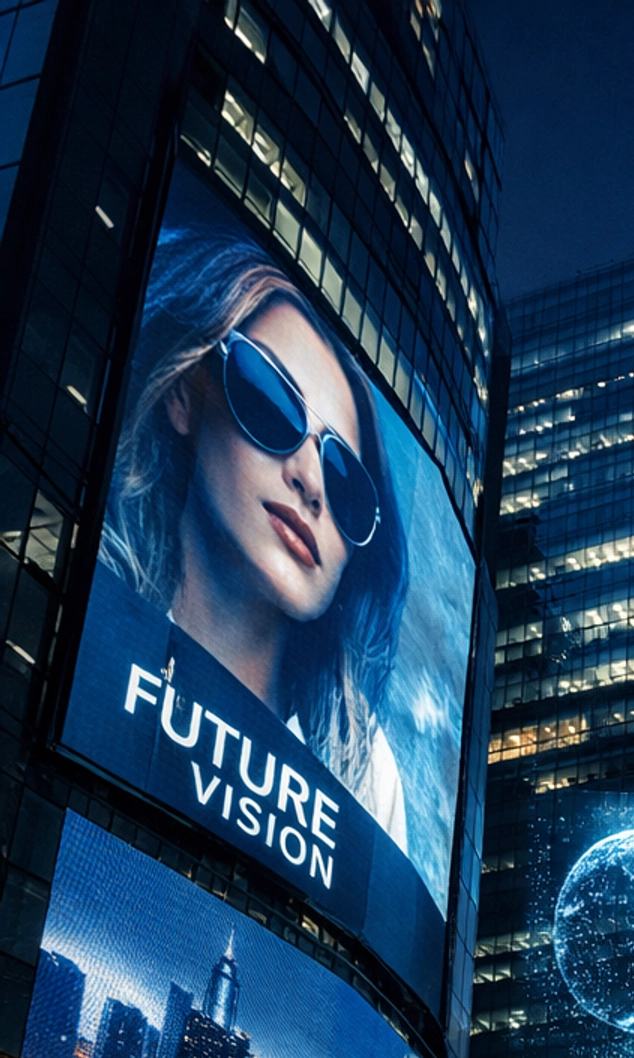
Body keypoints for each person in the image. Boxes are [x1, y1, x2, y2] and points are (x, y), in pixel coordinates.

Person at [101, 215, 411, 846]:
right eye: (270, 401)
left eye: (346, 482)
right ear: (187, 396)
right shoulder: (87, 606)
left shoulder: (367, 778)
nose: (311, 482)